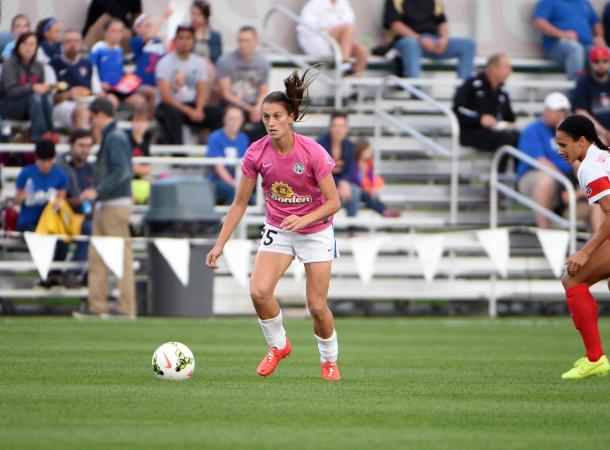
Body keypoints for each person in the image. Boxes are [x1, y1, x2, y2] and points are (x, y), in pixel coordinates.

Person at [205, 70, 343, 381]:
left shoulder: (312, 152)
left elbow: (334, 202)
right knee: (259, 291)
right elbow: (240, 203)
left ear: (291, 117)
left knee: (317, 307)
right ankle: (278, 346)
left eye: (277, 116)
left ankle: (328, 361)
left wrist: (304, 218)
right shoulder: (256, 152)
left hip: (316, 230)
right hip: (279, 229)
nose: (271, 122)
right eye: (266, 116)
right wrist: (219, 244)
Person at [555, 114, 610, 380]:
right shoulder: (603, 156)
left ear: (582, 141)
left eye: (564, 144)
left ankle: (595, 358)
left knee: (573, 279)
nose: (560, 150)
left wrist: (586, 251)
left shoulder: (590, 167)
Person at [74, 97, 135, 319]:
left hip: (113, 205)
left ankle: (125, 308)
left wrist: (97, 190)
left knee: (119, 257)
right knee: (97, 257)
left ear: (99, 114)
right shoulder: (113, 136)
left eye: (92, 115)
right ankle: (97, 306)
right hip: (107, 204)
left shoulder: (115, 138)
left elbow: (122, 172)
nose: (91, 120)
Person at [517, 92, 601, 230]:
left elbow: (578, 160)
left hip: (565, 182)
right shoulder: (532, 130)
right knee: (547, 181)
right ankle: (545, 231)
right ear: (546, 110)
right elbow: (541, 162)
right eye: (556, 110)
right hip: (534, 175)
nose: (560, 114)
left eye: (562, 111)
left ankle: (601, 247)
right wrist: (566, 183)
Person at [155, 23, 222, 145]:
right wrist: (189, 111)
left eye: (188, 38)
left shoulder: (199, 62)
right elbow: (166, 97)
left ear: (193, 41)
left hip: (191, 104)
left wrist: (199, 109)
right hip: (170, 105)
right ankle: (178, 157)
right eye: (181, 38)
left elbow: (202, 89)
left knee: (216, 114)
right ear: (175, 41)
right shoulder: (164, 63)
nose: (184, 42)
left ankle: (216, 153)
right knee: (173, 114)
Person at [382, 0, 476, 79]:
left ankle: (464, 88)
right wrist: (420, 39)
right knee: (411, 44)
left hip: (433, 41)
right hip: (407, 41)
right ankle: (416, 89)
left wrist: (444, 39)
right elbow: (395, 25)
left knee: (468, 44)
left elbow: (442, 22)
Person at [453, 53, 519, 154]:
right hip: (472, 132)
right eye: (506, 67)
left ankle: (517, 169)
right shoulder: (472, 85)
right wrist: (480, 118)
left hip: (496, 133)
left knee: (520, 136)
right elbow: (458, 109)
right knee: (506, 138)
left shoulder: (502, 92)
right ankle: (500, 170)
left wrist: (509, 124)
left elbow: (510, 118)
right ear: (494, 69)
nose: (510, 72)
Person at [55, 129, 95, 287]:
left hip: (86, 216)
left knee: (96, 227)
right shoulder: (61, 168)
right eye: (81, 145)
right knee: (88, 228)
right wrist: (80, 199)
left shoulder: (93, 169)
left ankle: (84, 273)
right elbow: (58, 200)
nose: (85, 150)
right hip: (63, 217)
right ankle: (69, 272)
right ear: (71, 145)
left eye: (88, 146)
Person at [216, 26, 270, 141]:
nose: (242, 44)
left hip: (254, 103)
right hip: (233, 103)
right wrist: (249, 108)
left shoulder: (263, 62)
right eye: (240, 40)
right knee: (234, 115)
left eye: (246, 41)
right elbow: (226, 94)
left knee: (276, 118)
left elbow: (263, 90)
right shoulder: (225, 61)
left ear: (255, 42)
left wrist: (258, 107)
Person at [0, 32, 55, 141]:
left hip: (32, 108)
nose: (28, 48)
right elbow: (11, 92)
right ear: (18, 46)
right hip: (8, 107)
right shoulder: (9, 64)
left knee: (46, 97)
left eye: (32, 44)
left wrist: (45, 89)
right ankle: (38, 136)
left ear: (36, 47)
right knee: (35, 98)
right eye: (25, 44)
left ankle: (50, 132)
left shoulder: (38, 66)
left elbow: (40, 89)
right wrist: (33, 87)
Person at [533, 0, 605, 81]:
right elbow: (539, 22)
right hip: (557, 45)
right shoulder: (548, 2)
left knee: (605, 52)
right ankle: (577, 88)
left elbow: (596, 22)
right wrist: (562, 34)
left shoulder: (583, 2)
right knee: (575, 49)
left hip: (586, 46)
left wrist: (599, 37)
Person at [297, 0, 368, 76]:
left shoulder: (344, 4)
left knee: (362, 50)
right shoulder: (315, 4)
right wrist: (331, 30)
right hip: (319, 41)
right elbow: (308, 28)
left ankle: (355, 82)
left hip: (339, 43)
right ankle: (344, 63)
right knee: (348, 28)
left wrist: (337, 31)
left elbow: (349, 24)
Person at [90, 18, 147, 112]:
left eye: (119, 31)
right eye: (113, 31)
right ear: (105, 32)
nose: (116, 34)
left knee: (140, 101)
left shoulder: (118, 50)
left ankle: (136, 125)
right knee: (112, 103)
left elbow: (120, 70)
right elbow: (92, 70)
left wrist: (128, 78)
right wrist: (98, 87)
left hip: (119, 88)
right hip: (106, 90)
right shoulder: (98, 48)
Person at [316, 111, 360, 219]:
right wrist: (337, 183)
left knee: (355, 190)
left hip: (341, 181)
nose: (338, 129)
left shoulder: (349, 145)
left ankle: (351, 227)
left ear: (346, 128)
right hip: (323, 182)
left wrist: (343, 183)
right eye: (335, 126)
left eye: (342, 126)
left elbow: (349, 169)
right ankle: (326, 225)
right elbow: (319, 170)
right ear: (330, 127)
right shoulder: (320, 143)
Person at [50, 30, 97, 130]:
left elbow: (98, 92)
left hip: (86, 102)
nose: (72, 44)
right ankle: (81, 141)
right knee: (82, 111)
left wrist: (87, 93)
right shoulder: (52, 65)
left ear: (81, 43)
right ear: (62, 44)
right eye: (69, 41)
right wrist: (68, 94)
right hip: (61, 105)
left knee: (103, 109)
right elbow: (50, 99)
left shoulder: (88, 65)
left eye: (76, 41)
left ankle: (99, 144)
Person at [206, 106, 250, 205]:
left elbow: (245, 163)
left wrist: (242, 183)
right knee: (233, 192)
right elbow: (218, 167)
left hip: (238, 179)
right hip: (217, 180)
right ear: (224, 119)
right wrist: (233, 183)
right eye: (231, 118)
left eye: (237, 119)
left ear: (242, 120)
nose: (234, 122)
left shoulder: (243, 138)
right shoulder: (215, 137)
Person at [130, 9, 171, 112]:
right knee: (153, 93)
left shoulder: (157, 43)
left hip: (157, 84)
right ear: (136, 29)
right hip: (142, 85)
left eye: (149, 25)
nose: (149, 28)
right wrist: (163, 17)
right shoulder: (136, 42)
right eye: (145, 26)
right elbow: (148, 36)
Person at [351, 138, 400, 217]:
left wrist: (372, 188)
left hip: (366, 190)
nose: (370, 152)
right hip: (357, 191)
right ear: (361, 150)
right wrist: (367, 188)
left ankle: (385, 210)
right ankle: (384, 211)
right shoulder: (354, 164)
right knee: (367, 195)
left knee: (372, 195)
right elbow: (355, 180)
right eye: (368, 150)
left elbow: (371, 178)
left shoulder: (369, 164)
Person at [572, 46, 610, 145]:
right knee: (599, 143)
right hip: (593, 132)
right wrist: (604, 132)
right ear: (590, 63)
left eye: (604, 61)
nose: (601, 64)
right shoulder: (583, 83)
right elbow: (581, 112)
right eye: (596, 61)